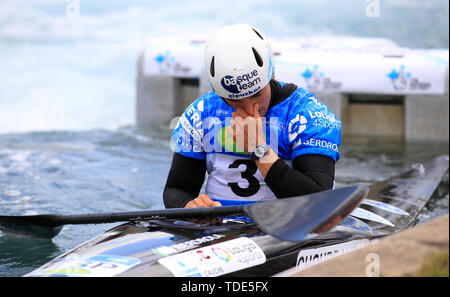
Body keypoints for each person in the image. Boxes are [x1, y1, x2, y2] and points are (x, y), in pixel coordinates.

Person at [163, 24, 341, 208]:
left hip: (287, 223)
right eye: (235, 100)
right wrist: (190, 207)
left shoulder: (307, 115)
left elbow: (320, 202)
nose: (249, 109)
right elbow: (176, 189)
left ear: (271, 74)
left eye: (257, 94)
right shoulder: (200, 114)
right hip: (221, 225)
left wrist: (259, 150)